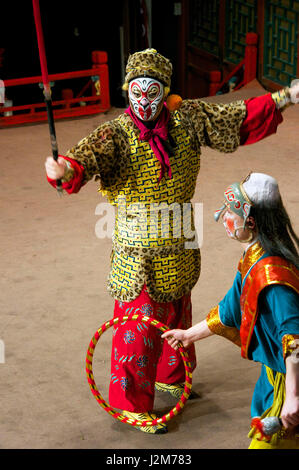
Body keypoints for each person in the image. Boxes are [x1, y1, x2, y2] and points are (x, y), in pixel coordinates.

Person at [45, 48, 299, 434]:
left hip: (180, 242)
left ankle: (172, 377)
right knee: (140, 328)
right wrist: (65, 168)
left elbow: (236, 117)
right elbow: (86, 158)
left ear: (166, 91)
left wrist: (287, 96)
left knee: (177, 312)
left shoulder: (188, 118)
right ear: (126, 90)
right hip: (138, 254)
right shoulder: (115, 133)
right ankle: (131, 403)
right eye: (136, 92)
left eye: (153, 92)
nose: (144, 101)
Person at [162, 172, 299, 448]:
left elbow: (295, 340)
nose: (221, 217)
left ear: (250, 221)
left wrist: (294, 396)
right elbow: (230, 308)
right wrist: (189, 335)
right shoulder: (255, 255)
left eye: (229, 212)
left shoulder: (272, 277)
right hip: (273, 378)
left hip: (288, 384)